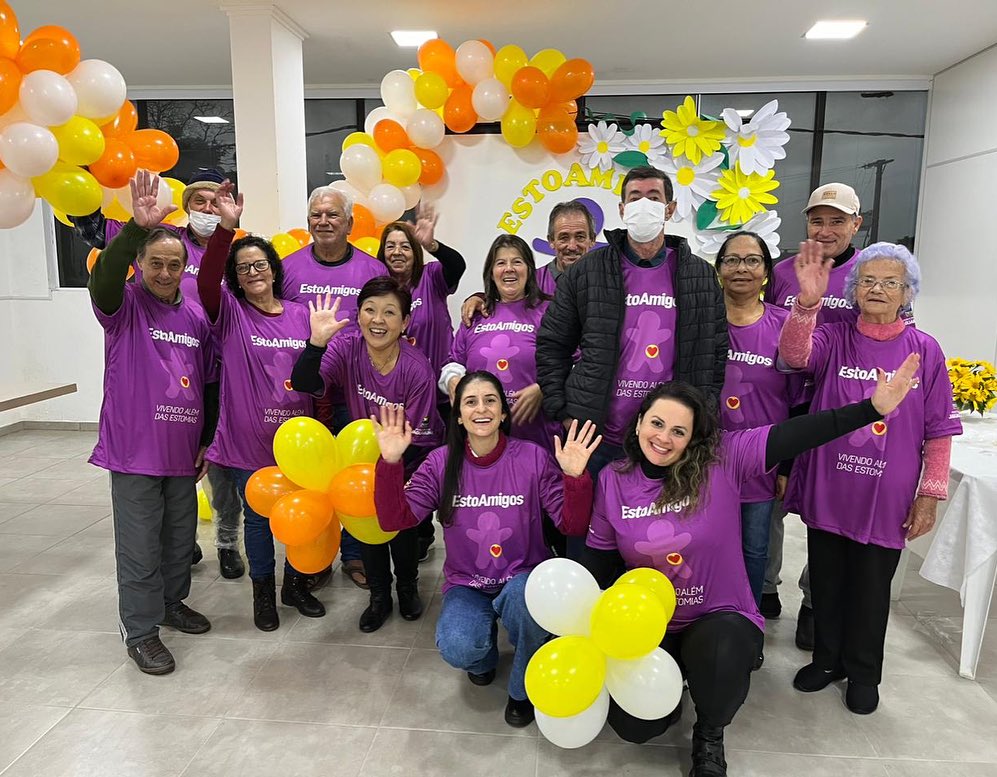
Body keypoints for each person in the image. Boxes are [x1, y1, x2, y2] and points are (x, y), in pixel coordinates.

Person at [581, 360, 920, 776]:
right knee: (635, 727)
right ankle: (677, 684)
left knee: (721, 652)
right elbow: (599, 561)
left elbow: (799, 432)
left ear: (693, 438)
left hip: (718, 615)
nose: (664, 438)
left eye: (679, 431)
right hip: (651, 624)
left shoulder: (724, 457)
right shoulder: (614, 479)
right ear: (638, 424)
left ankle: (710, 732)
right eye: (657, 423)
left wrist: (871, 409)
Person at [779, 240, 961, 715]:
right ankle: (826, 661)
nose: (878, 289)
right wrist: (807, 304)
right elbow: (795, 356)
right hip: (830, 484)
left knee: (871, 590)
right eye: (868, 281)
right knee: (827, 582)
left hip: (888, 496)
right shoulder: (835, 336)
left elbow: (940, 430)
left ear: (908, 292)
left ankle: (863, 673)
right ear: (854, 290)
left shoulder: (925, 350)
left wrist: (929, 495)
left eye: (890, 282)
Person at [370, 373, 599, 728]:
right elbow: (393, 520)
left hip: (524, 578)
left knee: (524, 601)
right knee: (458, 647)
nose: (482, 409)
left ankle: (522, 689)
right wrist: (389, 462)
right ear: (459, 416)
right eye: (471, 402)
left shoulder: (532, 458)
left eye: (490, 400)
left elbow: (572, 526)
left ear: (504, 413)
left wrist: (575, 477)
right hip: (468, 584)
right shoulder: (440, 463)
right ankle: (484, 658)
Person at [71, 167, 245, 580]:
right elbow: (104, 258)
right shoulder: (161, 245)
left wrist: (227, 231)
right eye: (199, 201)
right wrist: (133, 224)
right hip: (151, 384)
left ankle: (220, 545)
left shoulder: (228, 255)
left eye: (214, 202)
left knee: (211, 480)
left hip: (209, 373)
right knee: (153, 520)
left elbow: (213, 284)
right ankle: (172, 566)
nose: (166, 273)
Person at [88, 170, 215, 675]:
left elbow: (208, 381)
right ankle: (140, 632)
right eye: (155, 263)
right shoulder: (122, 305)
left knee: (179, 541)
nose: (164, 273)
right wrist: (135, 229)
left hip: (182, 452)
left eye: (174, 264)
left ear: (185, 268)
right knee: (140, 549)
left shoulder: (196, 317)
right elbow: (103, 277)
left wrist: (206, 440)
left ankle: (170, 602)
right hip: (135, 452)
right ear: (139, 265)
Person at [536, 166, 728, 477]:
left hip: (668, 441)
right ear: (623, 209)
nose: (644, 204)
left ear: (669, 209)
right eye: (635, 198)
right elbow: (552, 345)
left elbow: (715, 352)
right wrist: (563, 410)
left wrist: (701, 412)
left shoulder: (701, 276)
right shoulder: (587, 272)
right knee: (588, 509)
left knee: (663, 512)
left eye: (653, 197)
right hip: (597, 437)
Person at [196, 182, 327, 632]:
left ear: (273, 270)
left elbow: (316, 374)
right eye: (243, 267)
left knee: (300, 516)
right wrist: (226, 229)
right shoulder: (230, 313)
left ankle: (296, 586)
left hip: (297, 445)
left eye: (260, 264)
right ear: (236, 277)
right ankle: (264, 594)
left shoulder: (301, 314)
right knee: (258, 520)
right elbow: (206, 280)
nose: (252, 272)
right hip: (248, 443)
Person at [290, 278, 444, 632]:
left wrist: (390, 473)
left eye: (389, 312)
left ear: (404, 322)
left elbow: (417, 437)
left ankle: (407, 588)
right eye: (370, 310)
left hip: (412, 454)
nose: (378, 320)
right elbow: (303, 382)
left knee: (401, 525)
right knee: (366, 520)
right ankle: (379, 596)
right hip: (363, 456)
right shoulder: (347, 348)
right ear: (358, 315)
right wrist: (316, 343)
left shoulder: (417, 368)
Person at [762, 182, 869, 639]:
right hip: (782, 402)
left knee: (828, 508)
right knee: (770, 498)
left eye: (837, 221)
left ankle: (814, 600)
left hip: (840, 407)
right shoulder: (783, 273)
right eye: (817, 220)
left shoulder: (870, 272)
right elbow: (766, 329)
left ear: (855, 225)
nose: (825, 231)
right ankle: (765, 587)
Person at [281, 185, 389, 590]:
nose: (323, 221)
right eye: (317, 214)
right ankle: (314, 553)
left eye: (332, 215)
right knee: (308, 474)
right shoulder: (287, 268)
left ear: (349, 223)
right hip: (303, 387)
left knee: (354, 472)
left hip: (356, 390)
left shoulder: (372, 270)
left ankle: (355, 553)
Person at [713, 231, 804, 604]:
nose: (741, 268)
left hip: (762, 463)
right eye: (732, 260)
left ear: (766, 271)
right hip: (705, 460)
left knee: (754, 550)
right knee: (704, 545)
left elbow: (798, 403)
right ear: (719, 268)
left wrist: (787, 466)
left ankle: (746, 621)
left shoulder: (785, 326)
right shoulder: (702, 322)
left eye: (752, 260)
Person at [375, 209, 465, 563]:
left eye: (405, 246)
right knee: (404, 465)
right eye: (390, 246)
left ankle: (429, 530)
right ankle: (412, 528)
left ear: (415, 251)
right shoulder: (380, 291)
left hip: (440, 396)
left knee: (438, 466)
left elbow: (457, 266)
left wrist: (434, 245)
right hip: (398, 396)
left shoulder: (432, 277)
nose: (397, 252)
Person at [439, 235, 560, 452]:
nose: (509, 269)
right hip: (482, 440)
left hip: (537, 438)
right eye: (501, 263)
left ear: (529, 269)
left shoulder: (549, 312)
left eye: (517, 262)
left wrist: (545, 388)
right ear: (491, 272)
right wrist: (452, 379)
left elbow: (574, 364)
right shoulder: (476, 314)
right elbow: (454, 361)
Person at [458, 199, 596, 325]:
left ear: (592, 240)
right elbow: (503, 301)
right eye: (563, 238)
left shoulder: (606, 281)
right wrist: (478, 298)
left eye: (580, 237)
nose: (572, 246)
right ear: (551, 241)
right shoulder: (530, 280)